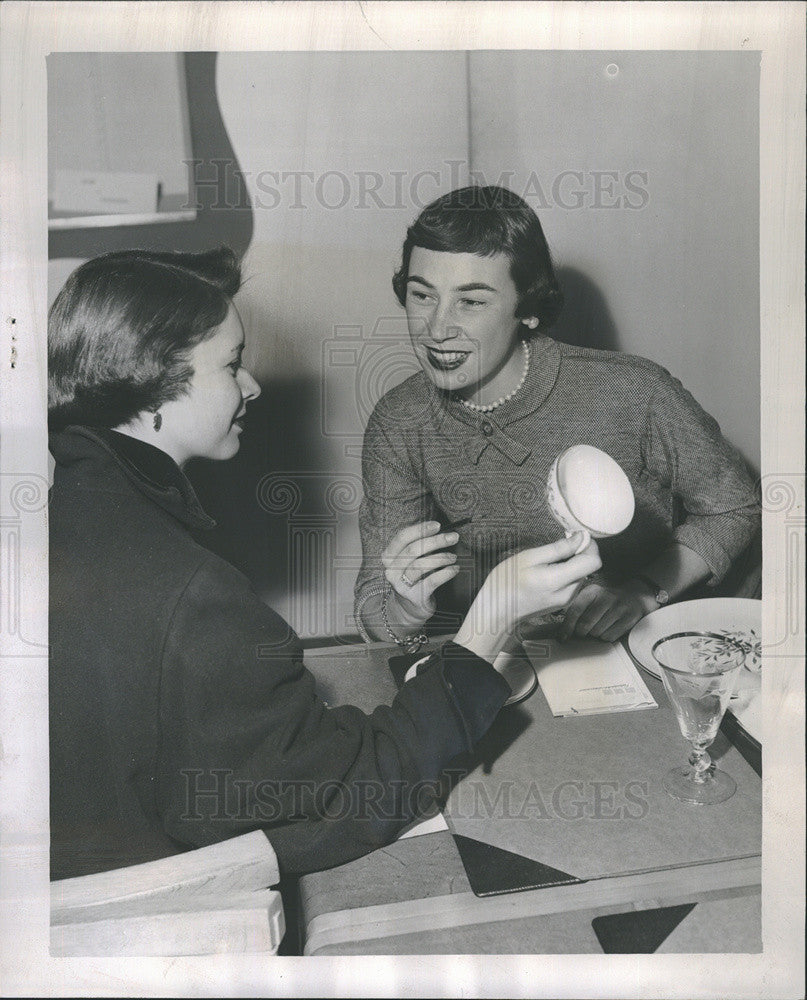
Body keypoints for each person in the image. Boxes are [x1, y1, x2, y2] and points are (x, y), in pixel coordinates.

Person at [47, 246, 600, 881]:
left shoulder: (75, 501)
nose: (251, 383)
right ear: (152, 390)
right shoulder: (195, 595)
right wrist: (493, 614)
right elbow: (361, 789)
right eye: (232, 365)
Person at [354, 185, 760, 649]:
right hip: (524, 650)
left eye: (471, 301)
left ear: (527, 308)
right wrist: (405, 609)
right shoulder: (399, 421)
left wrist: (645, 592)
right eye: (421, 295)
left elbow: (734, 507)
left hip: (652, 638)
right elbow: (374, 608)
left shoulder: (634, 391)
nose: (437, 328)